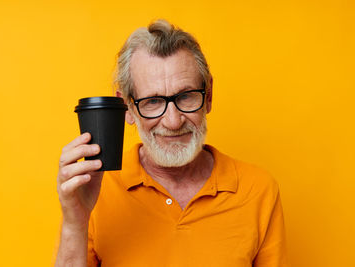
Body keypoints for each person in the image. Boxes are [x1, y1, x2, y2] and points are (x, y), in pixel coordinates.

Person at [55, 20, 288, 267]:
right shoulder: (95, 189)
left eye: (185, 96)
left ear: (208, 95)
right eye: (153, 101)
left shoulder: (258, 190)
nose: (174, 121)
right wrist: (74, 223)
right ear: (128, 109)